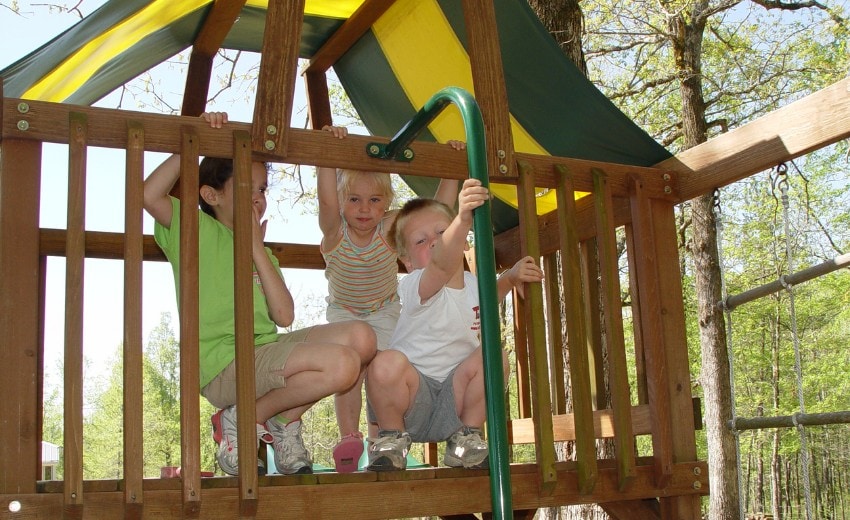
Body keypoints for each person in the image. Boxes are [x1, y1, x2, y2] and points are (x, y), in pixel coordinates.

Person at [143, 112, 377, 475]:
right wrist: (197, 138)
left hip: (264, 355)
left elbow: (284, 317)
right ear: (211, 195)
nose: (257, 198)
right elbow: (148, 194)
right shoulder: (195, 228)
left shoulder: (262, 252)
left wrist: (254, 247)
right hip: (224, 367)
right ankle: (251, 417)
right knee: (343, 365)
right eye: (246, 188)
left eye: (263, 189)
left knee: (362, 337)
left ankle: (269, 419)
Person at [364, 178, 544, 471]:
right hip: (411, 402)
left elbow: (486, 298)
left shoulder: (474, 284)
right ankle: (391, 440)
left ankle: (467, 439)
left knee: (493, 355)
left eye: (441, 233)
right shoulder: (416, 285)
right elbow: (440, 265)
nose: (434, 241)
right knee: (384, 363)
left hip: (455, 400)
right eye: (421, 241)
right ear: (408, 262)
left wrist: (510, 279)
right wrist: (461, 219)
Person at [316, 125, 463, 443]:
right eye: (354, 199)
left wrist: (452, 170)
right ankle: (349, 438)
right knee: (349, 372)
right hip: (344, 313)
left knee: (380, 371)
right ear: (342, 202)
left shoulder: (388, 228)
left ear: (386, 204)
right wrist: (326, 152)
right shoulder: (334, 231)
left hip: (384, 311)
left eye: (374, 200)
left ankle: (381, 437)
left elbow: (433, 214)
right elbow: (326, 203)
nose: (364, 208)